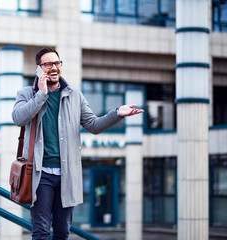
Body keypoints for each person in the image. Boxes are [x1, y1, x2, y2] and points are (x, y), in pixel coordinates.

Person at [12, 47, 144, 239]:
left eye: (57, 63)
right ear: (39, 69)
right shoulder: (26, 93)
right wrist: (40, 94)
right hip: (40, 176)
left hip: (67, 176)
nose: (54, 67)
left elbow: (93, 125)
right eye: (48, 64)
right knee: (40, 232)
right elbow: (18, 118)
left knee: (63, 233)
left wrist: (116, 114)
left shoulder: (74, 95)